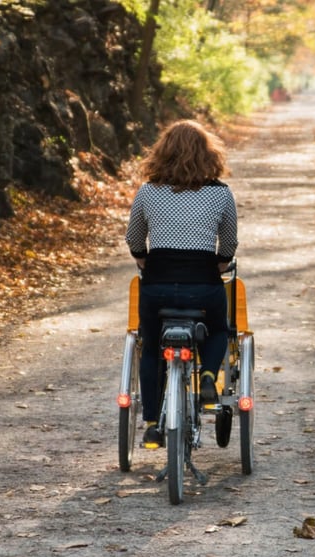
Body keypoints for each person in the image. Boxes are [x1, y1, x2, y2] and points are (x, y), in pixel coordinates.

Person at [125, 119, 238, 448]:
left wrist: (143, 257)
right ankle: (207, 376)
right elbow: (228, 244)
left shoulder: (148, 192)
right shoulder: (220, 194)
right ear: (208, 154)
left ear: (162, 152)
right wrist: (219, 261)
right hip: (204, 286)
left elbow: (134, 238)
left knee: (150, 345)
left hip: (157, 286)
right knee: (218, 329)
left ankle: (150, 423)